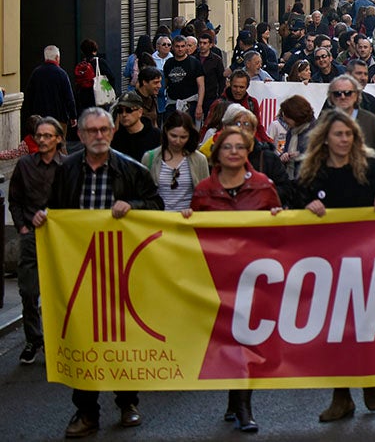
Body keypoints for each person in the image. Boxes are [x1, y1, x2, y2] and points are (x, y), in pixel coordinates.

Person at [38, 107, 163, 438]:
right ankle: (86, 411)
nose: (98, 136)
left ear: (112, 131)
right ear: (79, 135)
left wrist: (132, 206)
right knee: (84, 340)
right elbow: (54, 209)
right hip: (79, 271)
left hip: (122, 268)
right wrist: (42, 219)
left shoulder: (131, 170)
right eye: (91, 131)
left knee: (123, 338)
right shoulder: (65, 171)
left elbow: (157, 207)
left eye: (103, 130)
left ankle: (127, 403)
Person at [185, 127, 282, 433]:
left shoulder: (264, 186)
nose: (234, 152)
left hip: (252, 277)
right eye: (228, 147)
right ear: (217, 153)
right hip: (217, 278)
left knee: (247, 340)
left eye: (240, 147)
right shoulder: (203, 190)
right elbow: (195, 236)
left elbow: (278, 231)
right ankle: (233, 396)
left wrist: (280, 216)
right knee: (226, 339)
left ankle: (243, 404)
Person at [298, 110, 375, 423]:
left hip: (364, 259)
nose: (343, 139)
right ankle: (341, 396)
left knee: (361, 322)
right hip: (326, 262)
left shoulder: (369, 166)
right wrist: (306, 205)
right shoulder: (313, 171)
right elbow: (295, 199)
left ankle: (367, 375)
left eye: (348, 134)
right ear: (325, 137)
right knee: (334, 329)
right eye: (338, 134)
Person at [8, 116, 66, 366]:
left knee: (61, 291)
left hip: (62, 237)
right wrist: (21, 226)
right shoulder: (24, 165)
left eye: (47, 136)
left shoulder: (69, 166)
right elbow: (15, 199)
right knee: (29, 291)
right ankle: (34, 339)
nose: (41, 140)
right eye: (38, 136)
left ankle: (60, 341)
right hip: (31, 234)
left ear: (59, 138)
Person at [140, 110, 209, 213]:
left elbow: (206, 195)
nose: (177, 141)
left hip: (188, 221)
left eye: (183, 137)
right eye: (173, 136)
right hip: (158, 221)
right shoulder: (150, 158)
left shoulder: (200, 160)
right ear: (166, 131)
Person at [325, 75, 375, 162]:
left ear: (356, 95)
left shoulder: (371, 121)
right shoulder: (324, 122)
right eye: (337, 94)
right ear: (331, 97)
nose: (343, 97)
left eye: (348, 93)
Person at [23, 45, 77, 133]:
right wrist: (73, 116)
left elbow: (29, 96)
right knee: (59, 144)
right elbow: (69, 97)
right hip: (59, 119)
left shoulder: (36, 73)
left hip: (40, 119)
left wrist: (31, 114)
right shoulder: (62, 74)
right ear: (57, 57)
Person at [162, 35, 206, 123]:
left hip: (190, 104)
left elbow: (201, 86)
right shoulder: (168, 63)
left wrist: (199, 105)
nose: (180, 49)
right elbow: (165, 83)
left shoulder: (194, 63)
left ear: (186, 47)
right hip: (172, 104)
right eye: (177, 46)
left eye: (182, 46)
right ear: (173, 47)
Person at [110, 92, 162, 161]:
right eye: (120, 111)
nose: (124, 114)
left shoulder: (156, 136)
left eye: (129, 110)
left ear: (140, 112)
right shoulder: (116, 139)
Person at [276, 95, 316, 180]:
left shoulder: (316, 132)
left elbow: (319, 157)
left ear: (296, 116)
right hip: (290, 179)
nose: (284, 118)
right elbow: (285, 151)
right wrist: (283, 157)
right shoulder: (291, 131)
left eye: (286, 115)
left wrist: (299, 155)